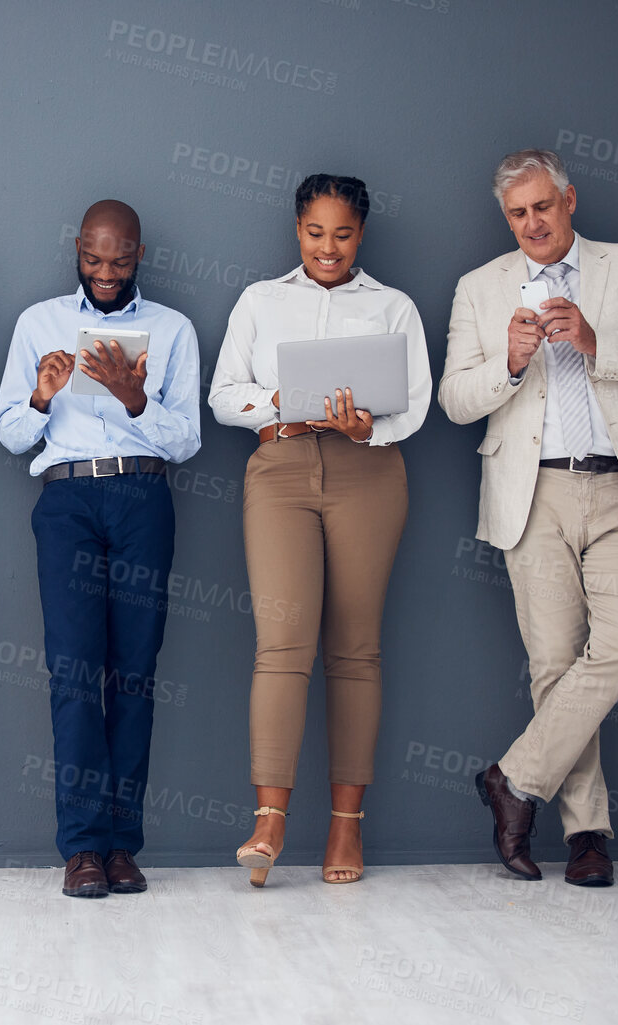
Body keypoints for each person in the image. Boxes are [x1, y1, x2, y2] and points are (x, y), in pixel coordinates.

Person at [441, 149, 618, 887]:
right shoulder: (479, 287)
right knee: (554, 665)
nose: (532, 224)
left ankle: (514, 779)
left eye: (542, 207)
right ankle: (588, 834)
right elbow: (456, 399)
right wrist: (511, 365)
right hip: (534, 493)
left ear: (569, 200)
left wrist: (595, 342)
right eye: (518, 214)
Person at [208, 174, 432, 887]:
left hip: (368, 471)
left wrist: (371, 426)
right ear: (296, 230)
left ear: (360, 234)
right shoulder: (260, 301)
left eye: (342, 234)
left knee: (355, 650)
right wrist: (278, 401)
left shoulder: (393, 306)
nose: (327, 248)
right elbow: (222, 395)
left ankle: (346, 829)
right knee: (281, 645)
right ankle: (269, 821)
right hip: (279, 468)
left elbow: (417, 405)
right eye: (315, 232)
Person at [0, 199, 201, 898]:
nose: (104, 272)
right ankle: (82, 846)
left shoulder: (172, 330)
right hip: (68, 500)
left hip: (143, 497)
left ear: (139, 252)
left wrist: (135, 398)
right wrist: (44, 397)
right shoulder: (37, 323)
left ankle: (122, 846)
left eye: (119, 259)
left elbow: (190, 440)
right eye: (93, 257)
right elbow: (11, 434)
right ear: (77, 248)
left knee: (135, 671)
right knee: (74, 672)